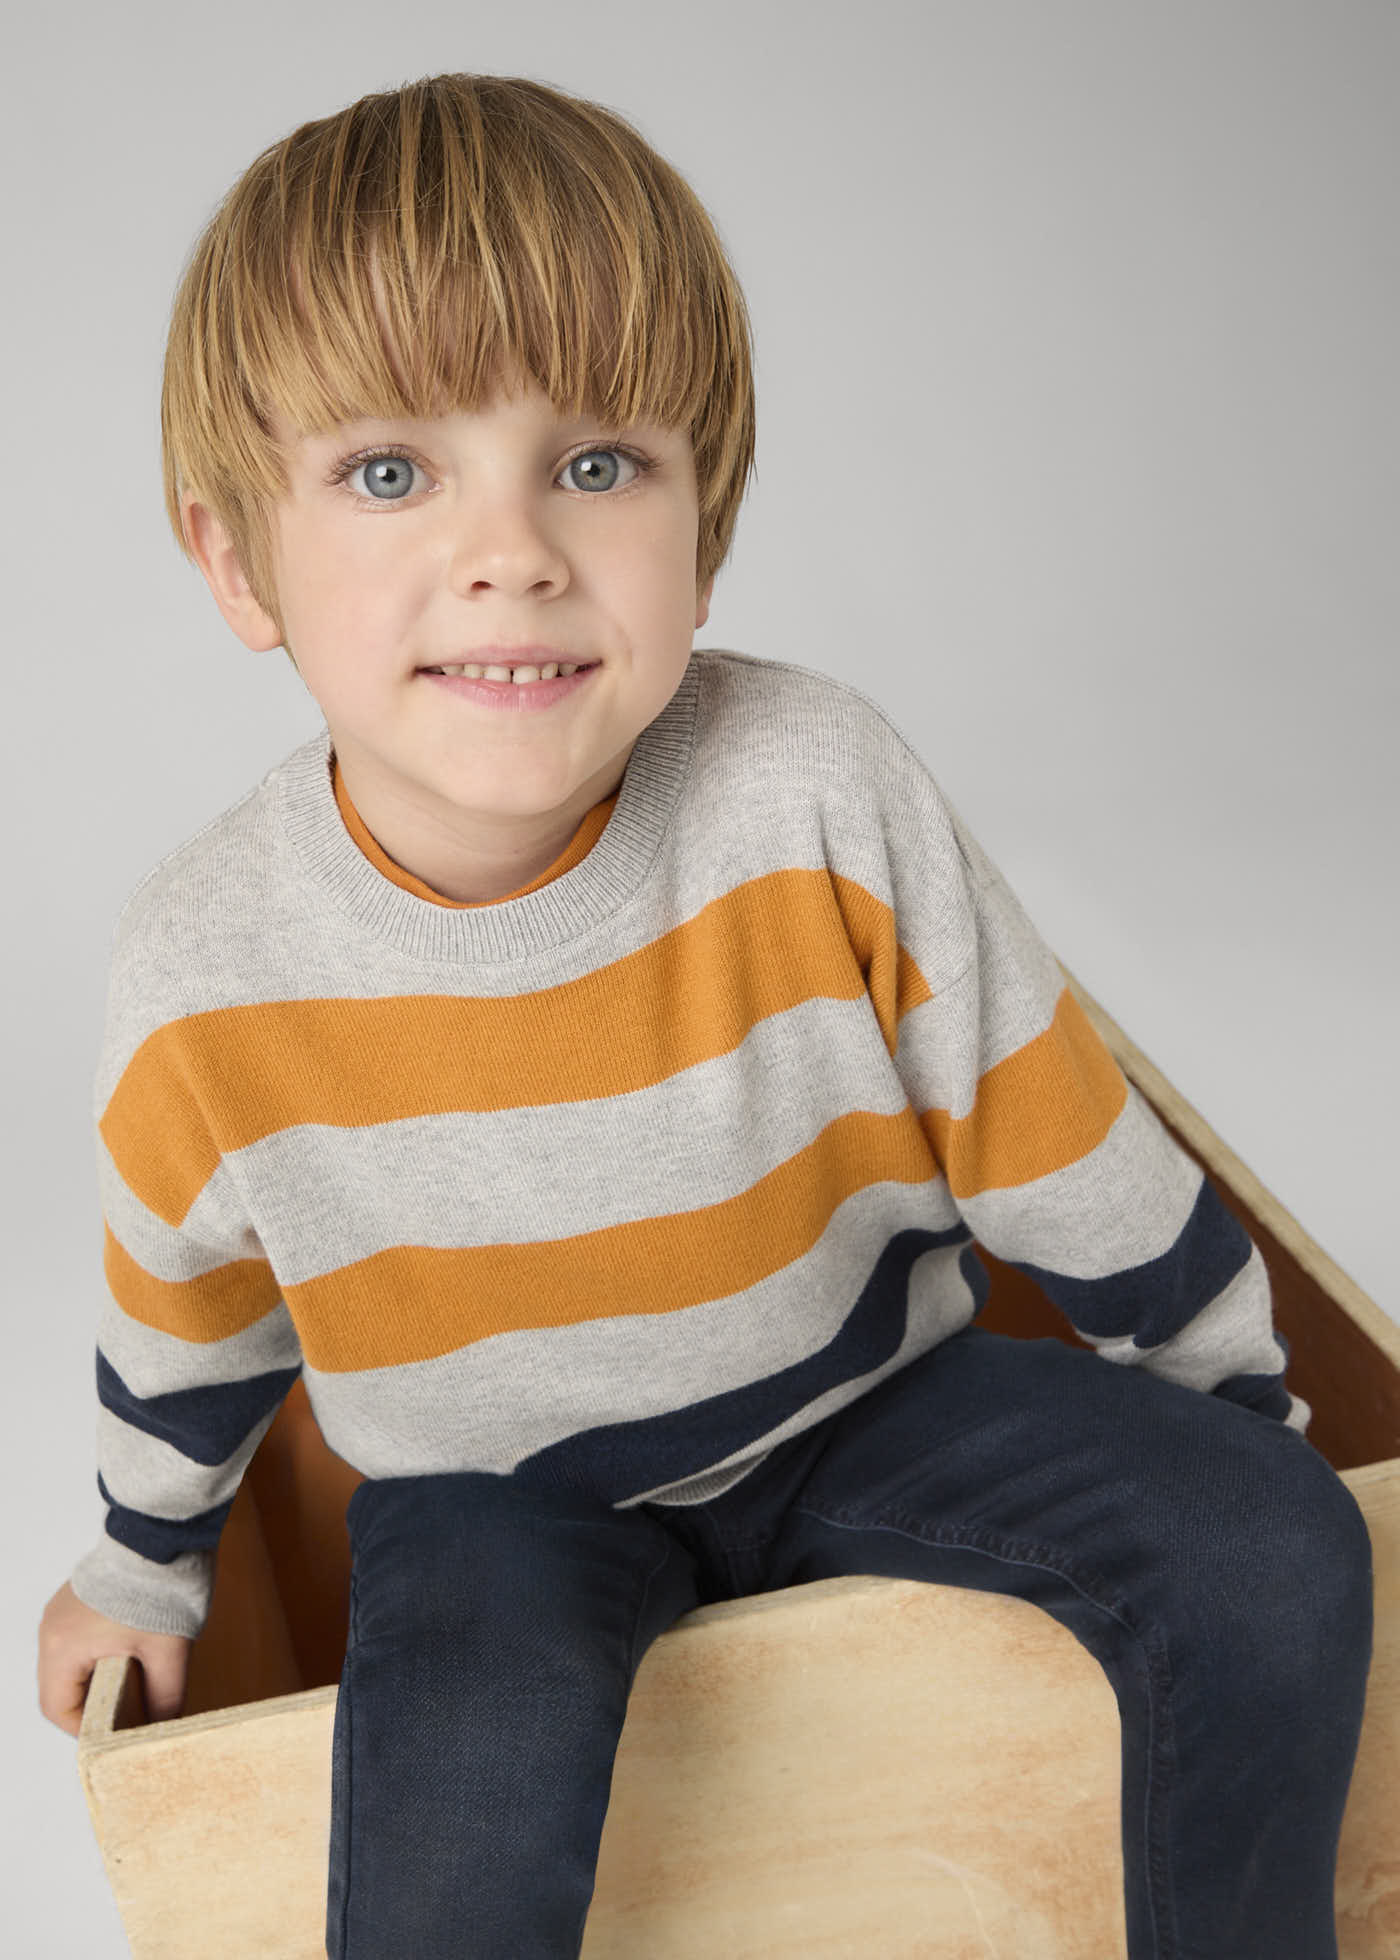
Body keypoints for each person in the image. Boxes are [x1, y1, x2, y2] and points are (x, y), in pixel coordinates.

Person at [36, 71, 1372, 1960]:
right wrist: (141, 1570)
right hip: (497, 1507)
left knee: (1278, 1548)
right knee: (453, 1820)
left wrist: (1243, 1425)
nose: (512, 550)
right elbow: (190, 1308)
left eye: (597, 465)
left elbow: (1045, 1125)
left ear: (705, 525)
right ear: (239, 562)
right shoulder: (206, 957)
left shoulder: (808, 786)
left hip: (869, 1401)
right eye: (391, 472)